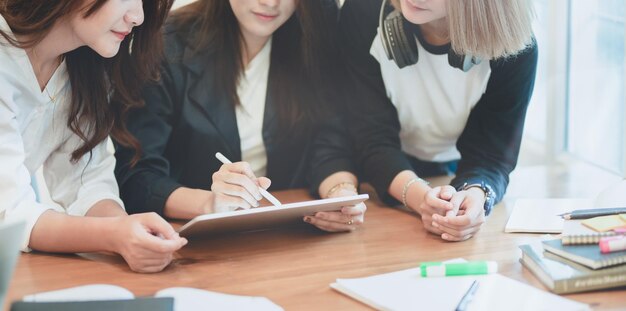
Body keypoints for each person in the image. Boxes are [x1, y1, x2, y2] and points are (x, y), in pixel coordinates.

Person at [114, 0, 365, 232]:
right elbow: (136, 174)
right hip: (192, 238)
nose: (270, 3)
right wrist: (210, 204)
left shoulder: (310, 37)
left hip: (284, 233)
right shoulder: (166, 43)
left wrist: (341, 194)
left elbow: (329, 144)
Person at [0, 0, 187, 273]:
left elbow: (87, 181)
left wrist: (128, 229)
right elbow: (10, 213)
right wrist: (115, 234)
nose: (138, 17)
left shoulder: (85, 64)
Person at [338, 0, 538, 241]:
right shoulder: (362, 11)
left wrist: (475, 197)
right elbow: (371, 138)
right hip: (378, 176)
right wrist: (422, 199)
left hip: (450, 170)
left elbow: (492, 155)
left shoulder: (515, 49)